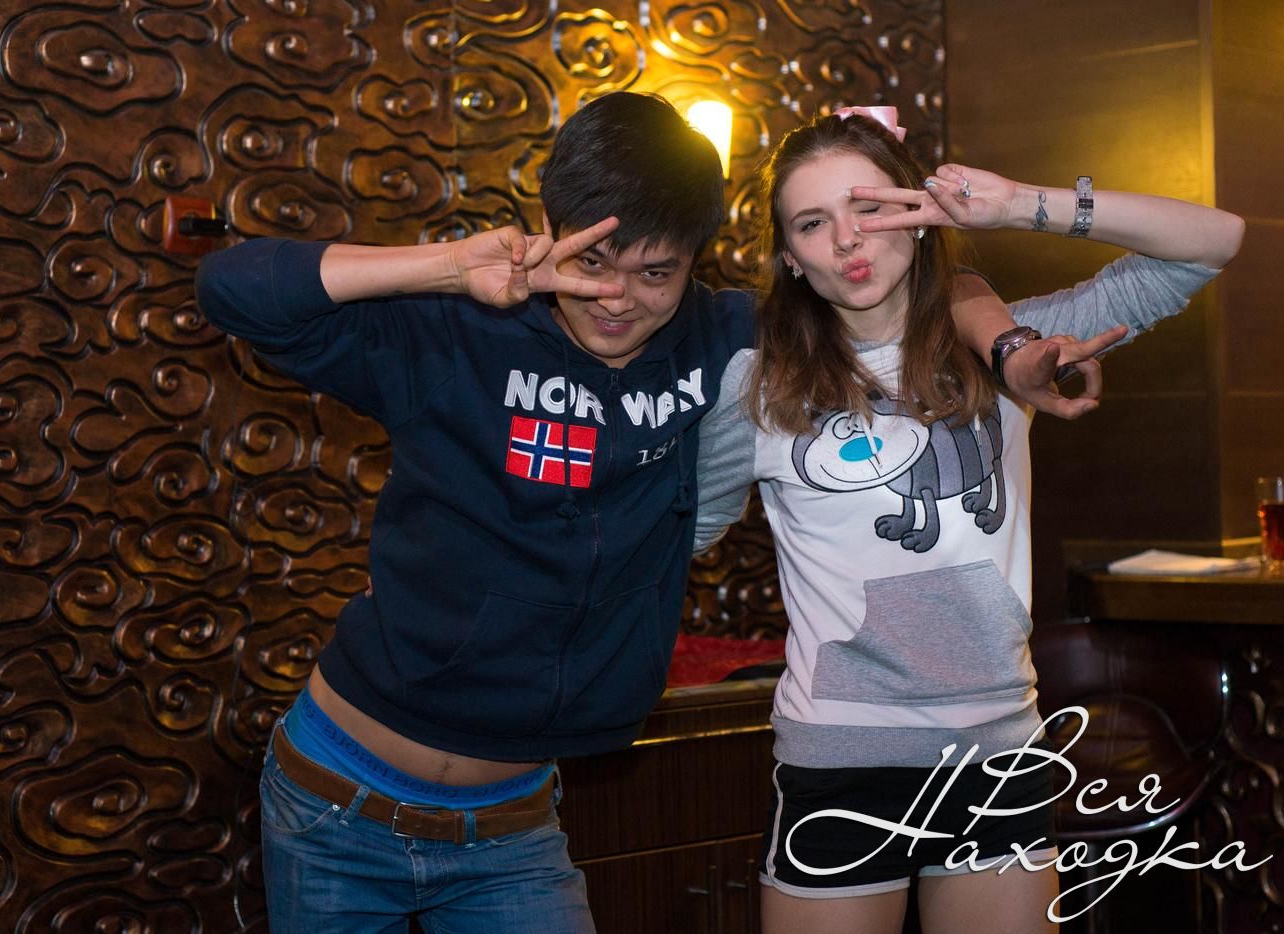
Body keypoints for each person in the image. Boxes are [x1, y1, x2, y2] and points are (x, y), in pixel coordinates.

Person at [196, 92, 1110, 933]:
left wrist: (1008, 342)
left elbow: (924, 287)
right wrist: (446, 266)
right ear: (550, 232)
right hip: (336, 799)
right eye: (591, 262)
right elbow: (234, 288)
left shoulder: (726, 344)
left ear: (693, 265)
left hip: (512, 826)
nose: (617, 298)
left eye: (655, 273)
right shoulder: (460, 331)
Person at [692, 110, 1244, 934]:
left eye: (871, 207)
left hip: (999, 755)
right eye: (812, 223)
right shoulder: (758, 387)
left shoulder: (1009, 351)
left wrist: (1018, 205)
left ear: (919, 217)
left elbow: (1215, 240)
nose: (848, 239)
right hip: (842, 762)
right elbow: (676, 537)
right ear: (791, 260)